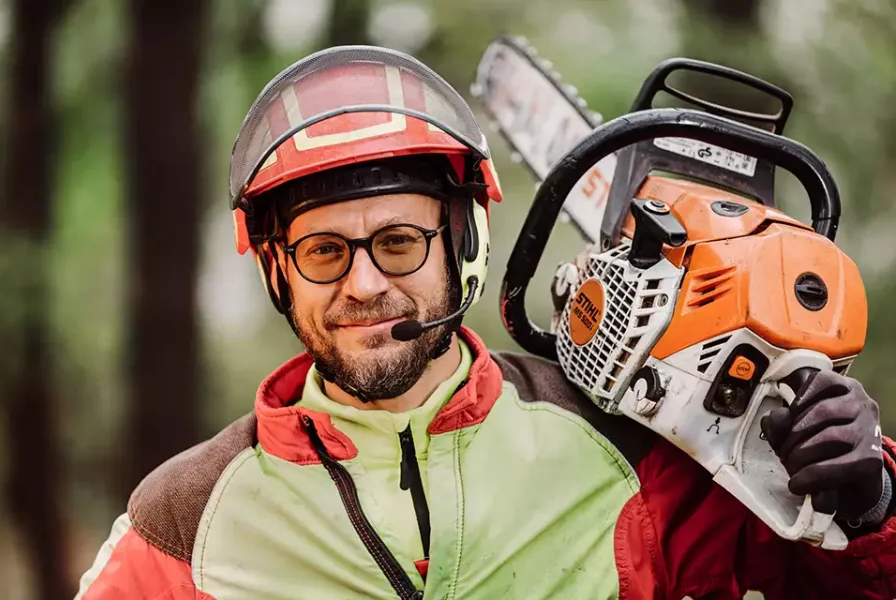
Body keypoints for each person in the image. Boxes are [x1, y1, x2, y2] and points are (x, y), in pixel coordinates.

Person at [75, 45, 896, 600]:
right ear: (276, 269)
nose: (365, 284)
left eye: (399, 242)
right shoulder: (186, 520)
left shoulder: (633, 451)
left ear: (463, 241)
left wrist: (866, 503)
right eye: (324, 251)